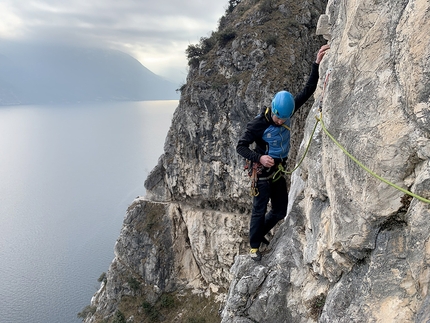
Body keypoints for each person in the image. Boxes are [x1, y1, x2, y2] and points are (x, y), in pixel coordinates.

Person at [236, 44, 330, 261]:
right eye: (278, 119)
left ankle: (259, 234)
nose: (280, 122)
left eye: (284, 119)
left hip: (278, 170)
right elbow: (240, 146)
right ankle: (254, 248)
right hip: (261, 174)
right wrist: (259, 157)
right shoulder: (258, 124)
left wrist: (316, 64)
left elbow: (307, 90)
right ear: (273, 110)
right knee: (259, 211)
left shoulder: (287, 112)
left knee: (280, 211)